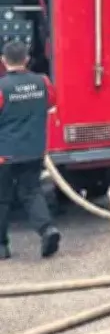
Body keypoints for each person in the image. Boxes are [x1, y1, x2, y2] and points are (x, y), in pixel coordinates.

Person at [0, 41, 61, 260]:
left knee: (2, 198)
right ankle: (47, 230)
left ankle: (1, 247)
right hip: (34, 150)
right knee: (32, 192)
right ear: (27, 59)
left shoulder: (2, 87)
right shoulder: (43, 82)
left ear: (3, 61)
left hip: (5, 153)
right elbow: (51, 103)